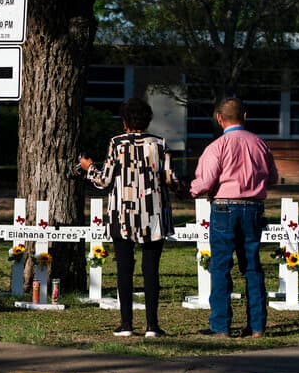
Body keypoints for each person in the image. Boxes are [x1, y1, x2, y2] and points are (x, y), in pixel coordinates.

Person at [78, 97, 179, 338]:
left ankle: (126, 324)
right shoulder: (160, 143)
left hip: (123, 214)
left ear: (124, 122)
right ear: (148, 120)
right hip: (153, 213)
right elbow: (169, 178)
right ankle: (152, 325)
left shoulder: (117, 143)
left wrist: (88, 168)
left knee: (125, 269)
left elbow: (104, 180)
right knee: (151, 269)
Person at [190, 97, 278, 339]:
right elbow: (272, 178)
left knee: (220, 266)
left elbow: (205, 182)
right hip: (253, 207)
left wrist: (190, 190)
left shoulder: (216, 147)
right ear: (245, 116)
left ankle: (220, 326)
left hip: (224, 208)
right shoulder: (260, 144)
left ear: (219, 118)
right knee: (252, 266)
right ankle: (257, 326)